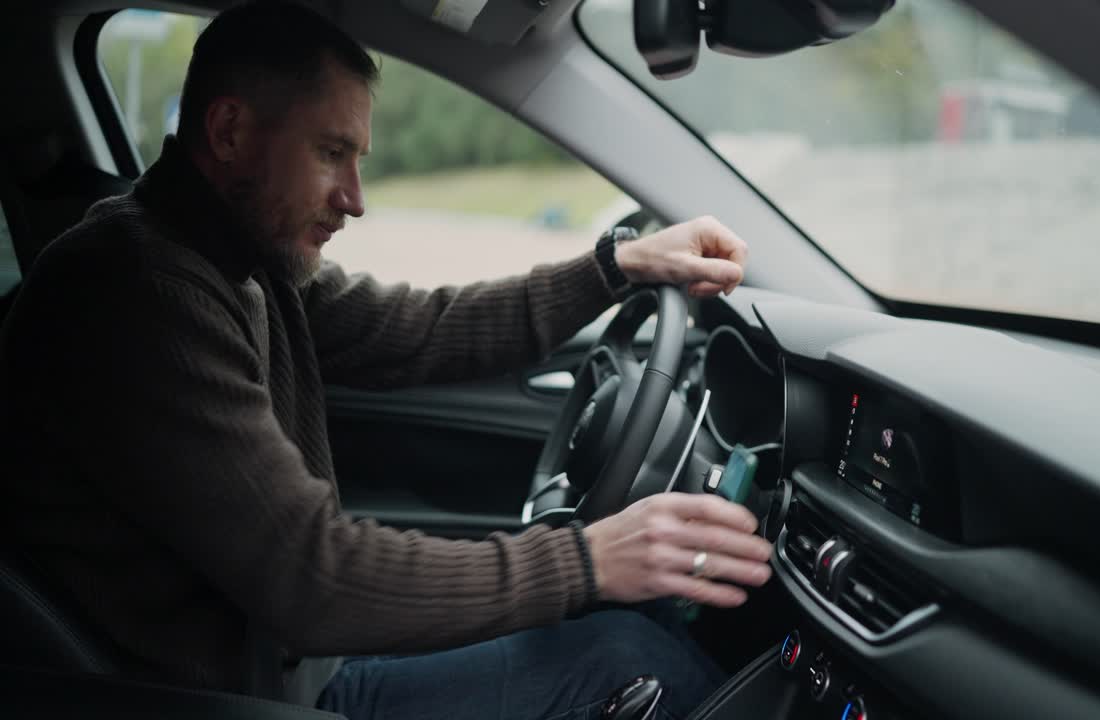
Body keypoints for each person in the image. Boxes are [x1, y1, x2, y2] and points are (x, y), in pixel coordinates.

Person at [0, 1, 774, 719]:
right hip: (236, 699)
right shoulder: (143, 292)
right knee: (627, 657)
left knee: (627, 624)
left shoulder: (238, 259)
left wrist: (617, 266)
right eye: (332, 153)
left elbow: (425, 331)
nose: (355, 198)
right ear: (230, 131)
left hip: (286, 666)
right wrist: (585, 561)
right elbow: (313, 579)